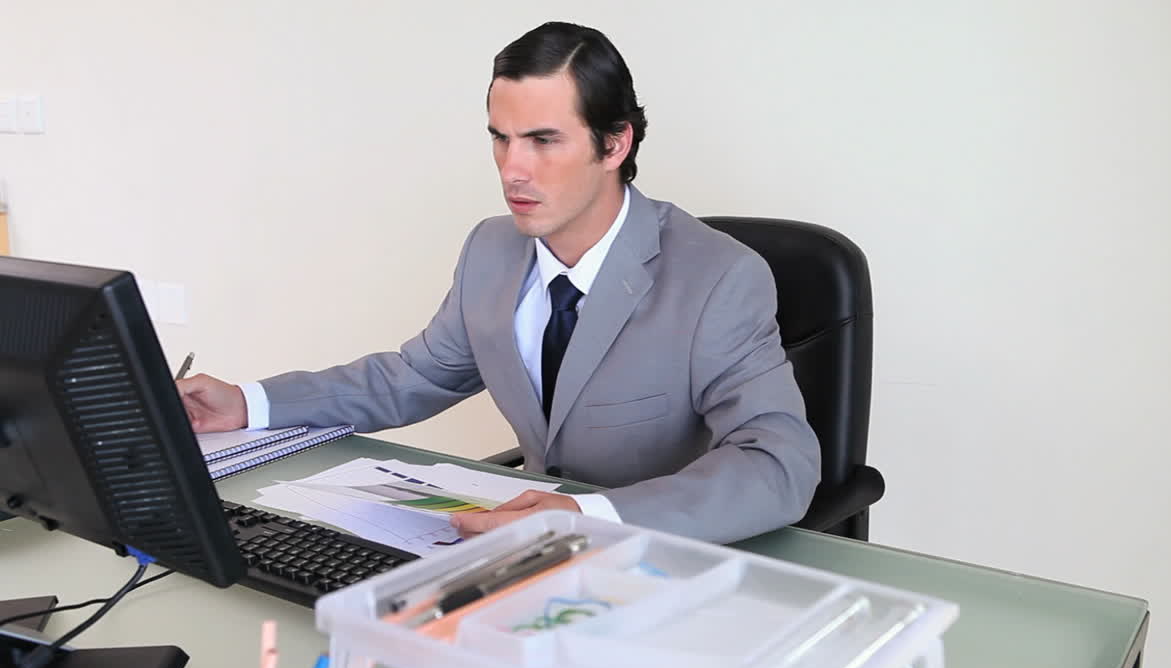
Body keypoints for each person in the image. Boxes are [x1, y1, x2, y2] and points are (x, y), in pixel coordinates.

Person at [178, 21, 819, 544]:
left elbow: (779, 464)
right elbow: (412, 378)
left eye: (543, 140)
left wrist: (592, 520)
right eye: (501, 139)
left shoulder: (720, 278)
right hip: (522, 558)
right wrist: (250, 403)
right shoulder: (492, 250)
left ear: (615, 143)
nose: (513, 170)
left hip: (660, 561)